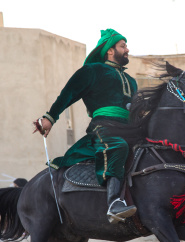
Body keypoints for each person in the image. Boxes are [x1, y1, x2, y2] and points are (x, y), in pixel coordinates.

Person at [33, 28, 137, 224]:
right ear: (110, 50)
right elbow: (68, 93)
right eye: (123, 46)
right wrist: (50, 118)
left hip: (130, 127)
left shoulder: (131, 81)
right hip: (105, 127)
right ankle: (114, 203)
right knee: (117, 146)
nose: (128, 49)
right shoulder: (93, 71)